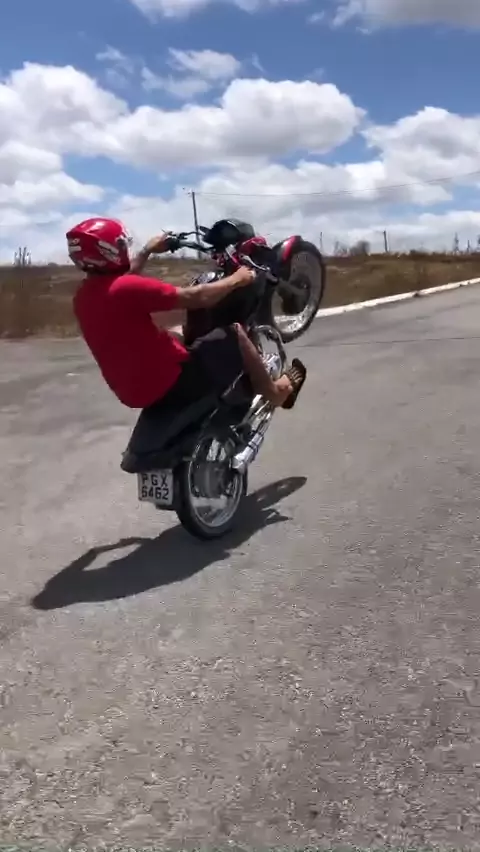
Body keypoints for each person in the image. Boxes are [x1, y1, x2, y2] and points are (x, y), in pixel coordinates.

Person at [67, 217, 307, 412]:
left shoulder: (85, 295)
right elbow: (197, 297)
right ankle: (275, 392)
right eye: (120, 245)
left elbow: (124, 279)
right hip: (168, 382)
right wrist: (237, 279)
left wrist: (148, 250)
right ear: (107, 253)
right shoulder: (127, 288)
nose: (125, 249)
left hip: (131, 392)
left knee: (178, 330)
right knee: (233, 333)